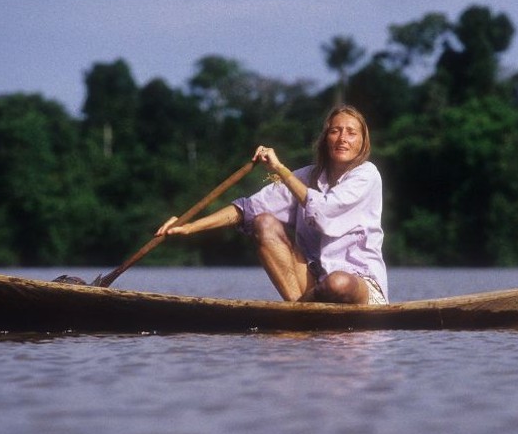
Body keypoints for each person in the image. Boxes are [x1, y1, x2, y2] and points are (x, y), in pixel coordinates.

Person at [155, 104, 388, 305]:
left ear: (361, 142)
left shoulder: (367, 175)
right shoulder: (307, 177)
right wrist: (188, 227)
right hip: (311, 282)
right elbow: (246, 209)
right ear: (326, 138)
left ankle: (297, 313)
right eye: (335, 131)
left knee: (337, 283)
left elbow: (325, 210)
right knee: (263, 222)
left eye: (351, 133)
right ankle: (302, 313)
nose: (342, 139)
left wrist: (280, 169)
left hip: (358, 284)